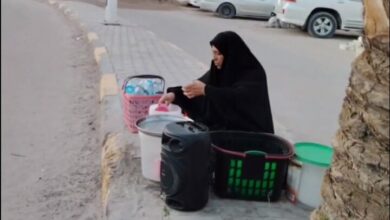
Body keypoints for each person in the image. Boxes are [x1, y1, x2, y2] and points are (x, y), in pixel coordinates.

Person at [158, 31, 274, 133]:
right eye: (213, 53)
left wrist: (207, 90)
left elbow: (240, 98)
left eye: (218, 53)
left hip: (250, 137)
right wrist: (175, 94)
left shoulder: (254, 73)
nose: (214, 58)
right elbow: (197, 89)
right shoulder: (218, 71)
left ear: (231, 54)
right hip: (222, 132)